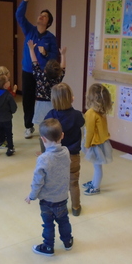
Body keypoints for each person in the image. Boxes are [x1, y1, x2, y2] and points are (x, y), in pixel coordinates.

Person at [25, 118, 73, 256]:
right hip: (62, 197)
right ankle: (67, 241)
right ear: (62, 135)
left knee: (48, 224)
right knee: (64, 220)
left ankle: (48, 247)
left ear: (43, 140)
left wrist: (32, 195)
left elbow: (38, 181)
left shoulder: (43, 159)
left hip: (47, 201)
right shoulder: (66, 152)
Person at [16, 0, 58, 139]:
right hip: (28, 71)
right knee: (27, 99)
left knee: (44, 100)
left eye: (45, 16)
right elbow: (19, 16)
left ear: (48, 22)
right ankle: (28, 126)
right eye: (41, 14)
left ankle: (46, 126)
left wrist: (46, 54)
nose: (41, 16)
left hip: (44, 74)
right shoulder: (30, 31)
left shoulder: (51, 38)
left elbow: (55, 57)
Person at [45, 83, 85, 216]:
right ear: (71, 98)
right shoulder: (77, 115)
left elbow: (44, 134)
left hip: (55, 156)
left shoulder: (51, 116)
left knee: (56, 183)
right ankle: (76, 207)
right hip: (73, 155)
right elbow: (82, 123)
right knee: (73, 182)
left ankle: (58, 207)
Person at [27, 40, 66, 152]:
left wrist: (31, 49)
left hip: (41, 105)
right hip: (54, 105)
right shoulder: (58, 78)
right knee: (54, 128)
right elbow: (63, 68)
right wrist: (63, 55)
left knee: (43, 130)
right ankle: (56, 148)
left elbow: (34, 63)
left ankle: (44, 151)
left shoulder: (40, 76)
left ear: (45, 69)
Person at [81, 84, 113, 195]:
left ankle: (96, 187)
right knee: (96, 166)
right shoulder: (102, 112)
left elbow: (89, 132)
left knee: (97, 166)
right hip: (101, 143)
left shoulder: (90, 113)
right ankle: (94, 182)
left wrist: (86, 145)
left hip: (94, 144)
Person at [0, 71, 17, 157]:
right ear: (5, 85)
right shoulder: (8, 95)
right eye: (8, 80)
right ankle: (10, 148)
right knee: (9, 134)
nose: (9, 81)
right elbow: (14, 108)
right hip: (7, 118)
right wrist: (11, 112)